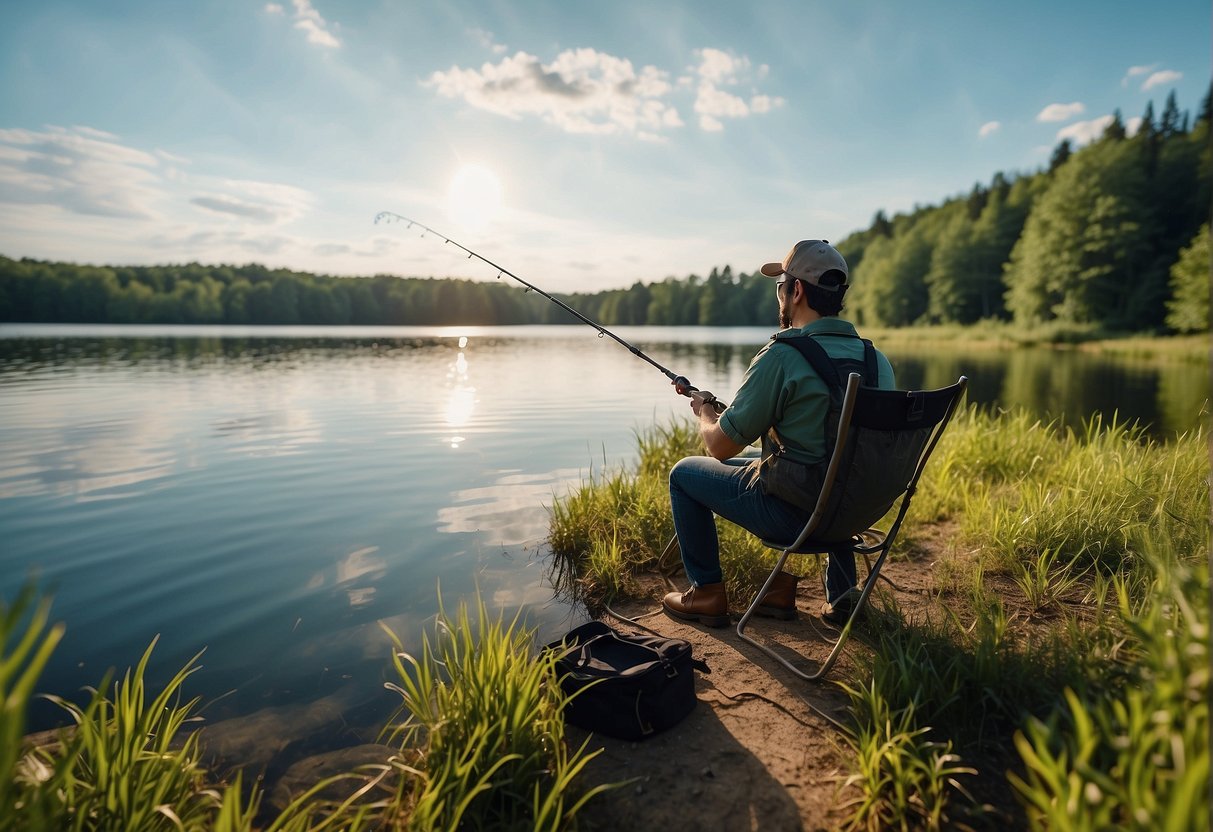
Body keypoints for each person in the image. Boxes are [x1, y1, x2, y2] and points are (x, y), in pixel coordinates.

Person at [662, 239, 896, 627]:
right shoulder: (876, 361)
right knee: (836, 462)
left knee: (685, 473)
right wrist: (739, 415)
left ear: (797, 290)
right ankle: (839, 596)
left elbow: (719, 446)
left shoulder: (783, 355)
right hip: (857, 513)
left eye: (781, 286)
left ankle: (705, 592)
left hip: (796, 517)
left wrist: (705, 411)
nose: (780, 297)